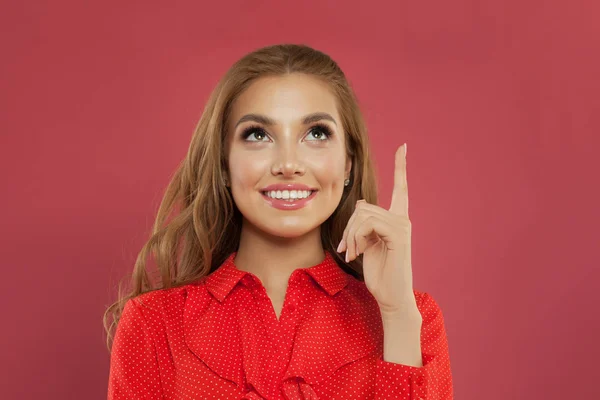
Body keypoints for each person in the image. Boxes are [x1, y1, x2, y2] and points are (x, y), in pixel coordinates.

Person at [104, 43, 453, 399]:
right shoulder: (152, 323)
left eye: (316, 134)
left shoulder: (414, 319)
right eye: (258, 135)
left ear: (348, 163)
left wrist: (396, 316)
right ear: (224, 165)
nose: (288, 164)